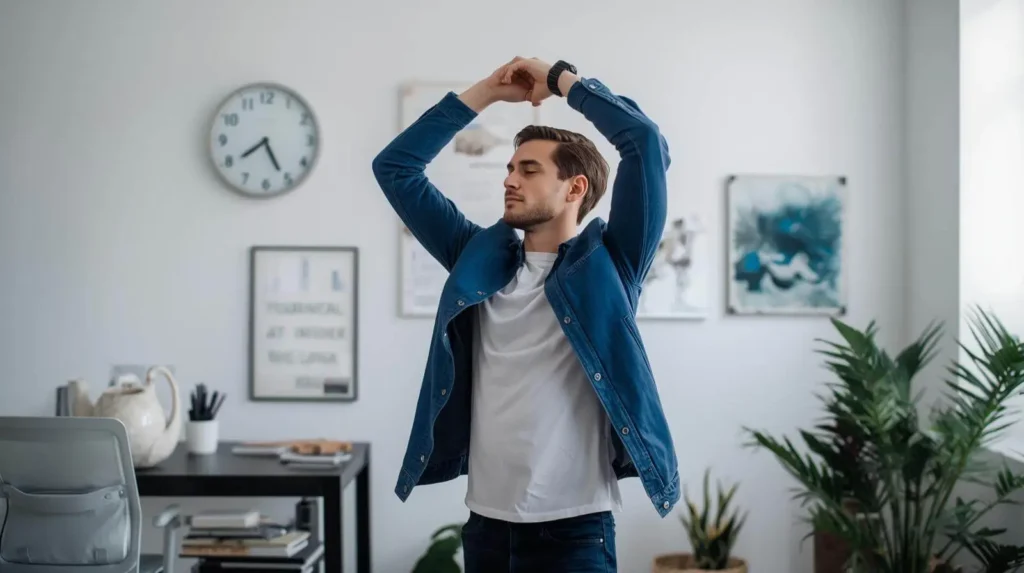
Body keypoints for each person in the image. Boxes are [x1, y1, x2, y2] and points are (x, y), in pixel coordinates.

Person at [372, 56, 679, 572]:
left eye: (528, 169)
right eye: (510, 168)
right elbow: (395, 168)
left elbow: (643, 143)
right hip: (487, 527)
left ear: (575, 188)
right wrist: (485, 94)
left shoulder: (612, 265)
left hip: (577, 530)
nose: (510, 180)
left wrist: (562, 80)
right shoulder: (476, 257)